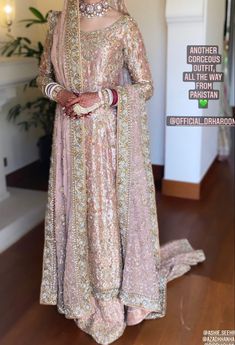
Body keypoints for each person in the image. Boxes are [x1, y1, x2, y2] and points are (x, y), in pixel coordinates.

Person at [37, 1, 206, 344]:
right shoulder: (59, 22)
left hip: (106, 141)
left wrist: (102, 97)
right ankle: (79, 295)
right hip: (69, 136)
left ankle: (110, 295)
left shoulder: (123, 25)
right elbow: (43, 77)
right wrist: (61, 92)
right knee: (74, 209)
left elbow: (145, 85)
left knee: (103, 214)